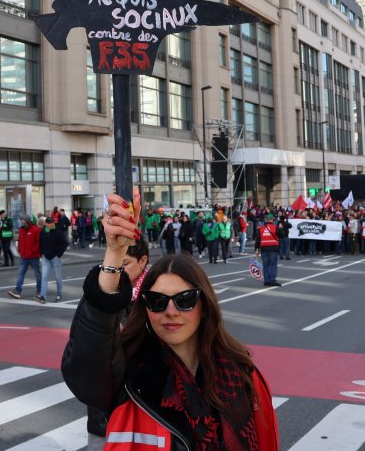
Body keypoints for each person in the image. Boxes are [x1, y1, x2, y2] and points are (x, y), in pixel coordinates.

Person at [62, 193, 278, 450]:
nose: (171, 311)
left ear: (205, 306)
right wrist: (114, 254)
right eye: (157, 301)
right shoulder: (130, 376)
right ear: (145, 309)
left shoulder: (242, 374)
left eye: (185, 299)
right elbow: (86, 371)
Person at [83, 238, 151, 449]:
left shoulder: (157, 296)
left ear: (143, 261)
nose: (119, 271)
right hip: (104, 413)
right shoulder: (103, 292)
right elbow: (85, 351)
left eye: (126, 264)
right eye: (115, 265)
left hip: (145, 410)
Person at [7, 215, 43, 302]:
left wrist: (33, 250)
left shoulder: (36, 229)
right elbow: (20, 240)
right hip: (24, 256)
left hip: (34, 257)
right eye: (21, 220)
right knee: (21, 274)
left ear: (27, 221)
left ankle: (39, 291)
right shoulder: (21, 229)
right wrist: (19, 249)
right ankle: (17, 291)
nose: (22, 222)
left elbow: (39, 242)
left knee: (38, 274)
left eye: (23, 220)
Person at [40, 216, 67, 302]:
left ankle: (59, 293)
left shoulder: (58, 231)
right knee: (44, 276)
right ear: (46, 224)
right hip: (46, 257)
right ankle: (43, 296)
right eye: (49, 223)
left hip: (55, 257)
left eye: (52, 222)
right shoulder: (43, 231)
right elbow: (40, 242)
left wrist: (59, 254)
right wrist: (42, 253)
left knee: (58, 276)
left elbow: (64, 243)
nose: (51, 224)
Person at [255, 218, 281, 287]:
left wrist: (256, 249)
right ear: (272, 220)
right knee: (273, 265)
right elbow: (282, 236)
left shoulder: (261, 228)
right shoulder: (275, 227)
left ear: (265, 220)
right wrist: (281, 228)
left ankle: (266, 281)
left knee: (266, 265)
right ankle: (272, 280)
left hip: (264, 249)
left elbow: (258, 239)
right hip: (273, 249)